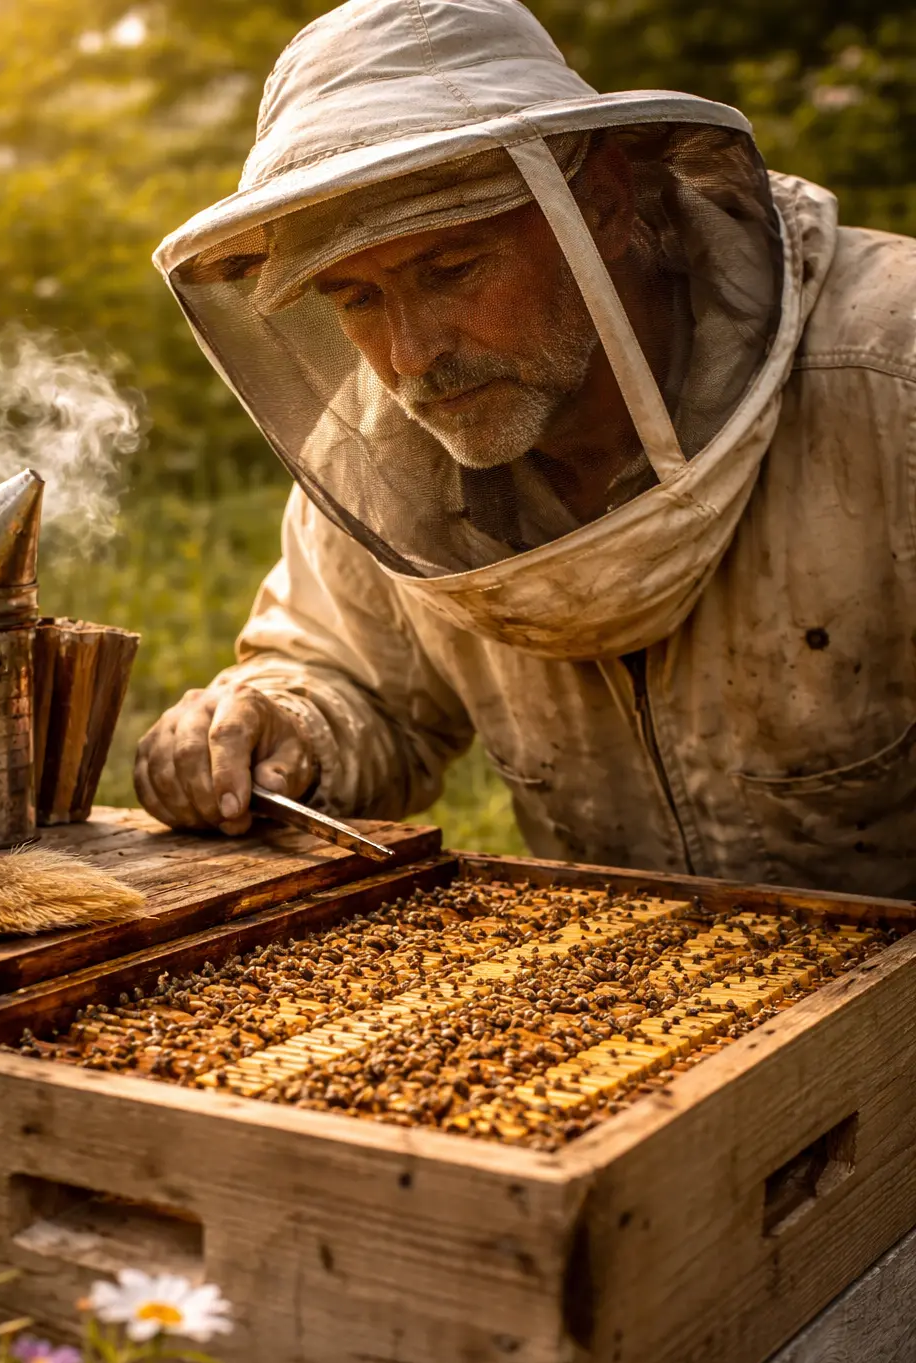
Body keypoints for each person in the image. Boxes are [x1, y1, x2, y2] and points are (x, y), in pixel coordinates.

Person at [137, 0, 916, 898]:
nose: (410, 356)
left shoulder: (888, 371)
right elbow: (359, 684)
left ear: (603, 205)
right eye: (355, 299)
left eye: (451, 270)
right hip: (626, 1001)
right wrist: (284, 723)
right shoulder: (380, 457)